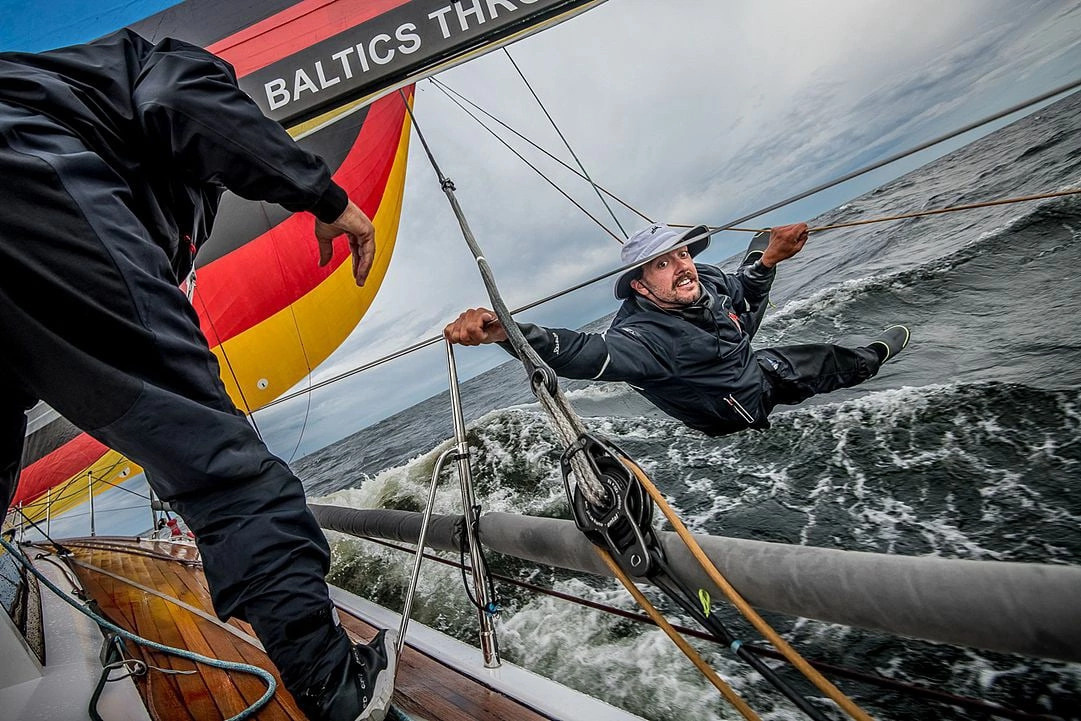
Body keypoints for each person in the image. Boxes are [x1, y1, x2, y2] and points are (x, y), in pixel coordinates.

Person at [0, 29, 394, 721]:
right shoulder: (157, 66)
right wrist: (321, 194)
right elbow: (182, 96)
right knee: (223, 470)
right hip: (26, 181)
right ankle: (340, 689)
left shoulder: (67, 93)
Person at [444, 222, 909, 438]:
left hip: (741, 357)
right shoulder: (642, 339)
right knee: (816, 361)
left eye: (681, 254)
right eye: (662, 265)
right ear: (641, 287)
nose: (681, 267)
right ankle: (868, 361)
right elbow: (580, 352)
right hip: (732, 409)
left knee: (747, 308)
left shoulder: (700, 275)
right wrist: (506, 332)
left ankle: (862, 355)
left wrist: (769, 259)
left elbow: (740, 292)